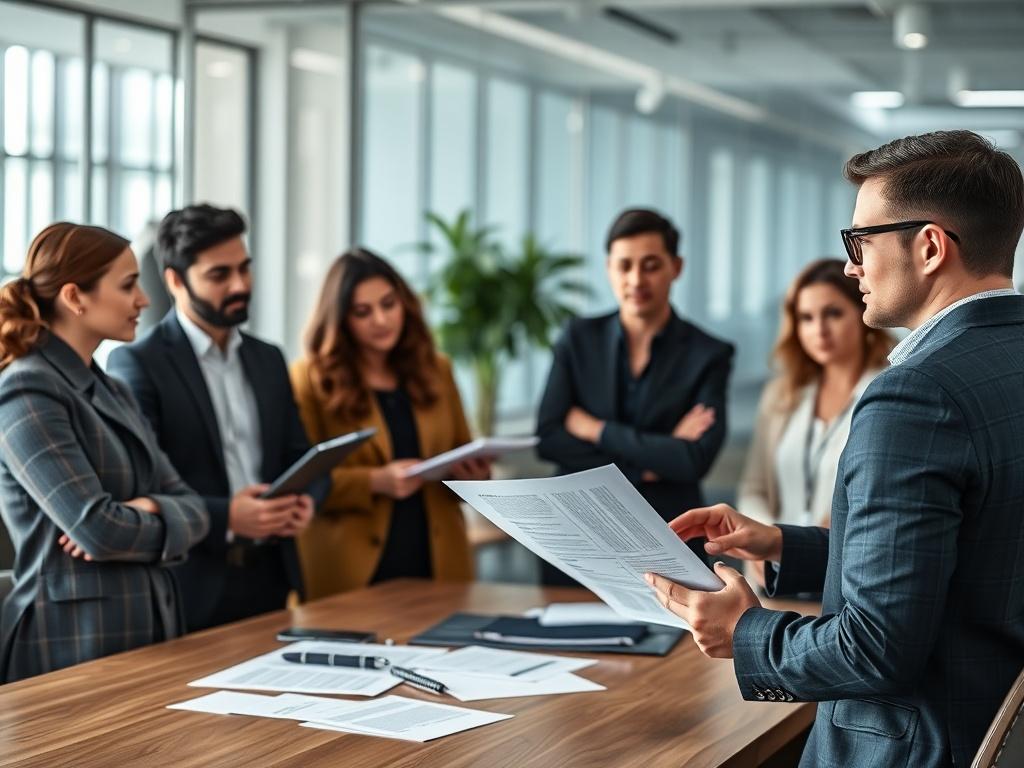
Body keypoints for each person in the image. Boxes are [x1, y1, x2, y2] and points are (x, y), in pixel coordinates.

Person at [646, 130, 1024, 768]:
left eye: (860, 240)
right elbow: (951, 563)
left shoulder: (914, 396)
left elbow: (876, 647)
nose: (851, 265)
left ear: (929, 247)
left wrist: (745, 632)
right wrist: (782, 546)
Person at [0, 222, 209, 683]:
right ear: (75, 297)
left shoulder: (113, 389)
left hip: (146, 632)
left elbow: (196, 509)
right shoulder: (27, 388)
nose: (145, 300)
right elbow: (97, 531)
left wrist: (151, 505)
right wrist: (152, 515)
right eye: (128, 284)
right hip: (71, 644)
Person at [107, 204, 320, 632]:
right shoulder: (137, 363)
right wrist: (228, 517)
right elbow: (141, 484)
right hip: (190, 585)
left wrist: (307, 499)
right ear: (174, 280)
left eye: (245, 268)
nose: (241, 284)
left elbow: (299, 454)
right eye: (219, 275)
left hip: (272, 576)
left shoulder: (268, 358)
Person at [536, 208, 734, 582]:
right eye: (624, 265)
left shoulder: (709, 353)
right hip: (578, 533)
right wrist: (653, 457)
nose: (635, 279)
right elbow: (549, 439)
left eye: (651, 265)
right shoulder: (577, 338)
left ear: (676, 267)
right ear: (609, 267)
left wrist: (595, 429)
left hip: (667, 534)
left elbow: (694, 459)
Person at [290, 248, 488, 599]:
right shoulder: (310, 378)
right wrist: (375, 482)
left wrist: (473, 476)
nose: (381, 320)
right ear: (340, 319)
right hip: (351, 570)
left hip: (436, 557)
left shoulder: (436, 369)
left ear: (405, 304)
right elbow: (300, 479)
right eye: (362, 312)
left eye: (388, 304)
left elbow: (462, 447)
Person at [738, 258, 894, 531]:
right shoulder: (782, 393)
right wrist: (767, 539)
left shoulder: (889, 391)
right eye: (806, 318)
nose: (819, 330)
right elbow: (754, 488)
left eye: (833, 313)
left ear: (861, 312)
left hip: (844, 559)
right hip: (775, 563)